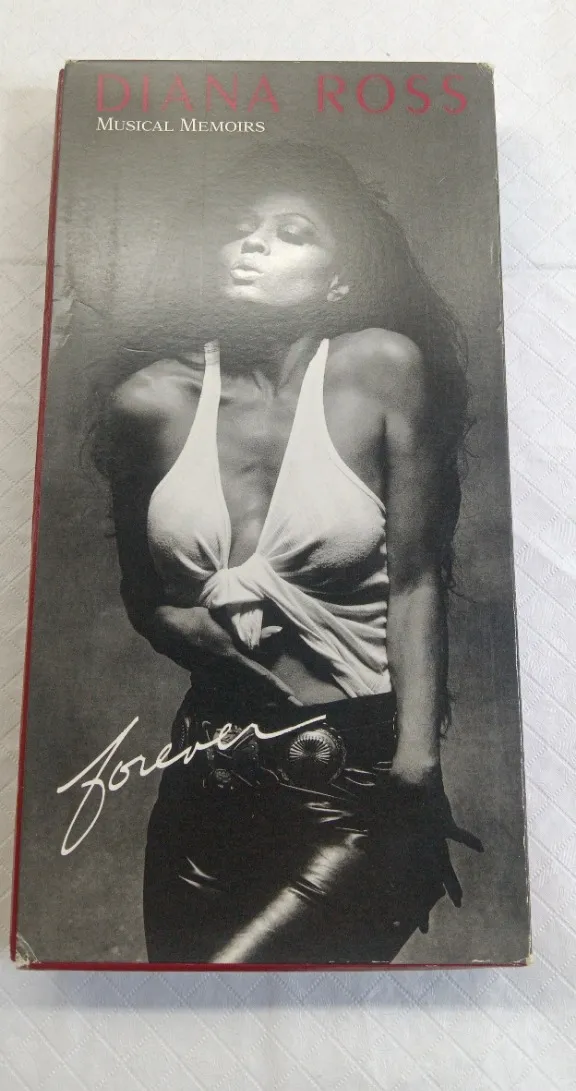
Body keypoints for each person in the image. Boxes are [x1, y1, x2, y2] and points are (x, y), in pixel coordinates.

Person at [96, 142, 482, 965]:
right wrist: (177, 626)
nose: (254, 244)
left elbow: (416, 580)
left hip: (355, 778)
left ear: (339, 280)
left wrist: (417, 766)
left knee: (237, 983)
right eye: (240, 229)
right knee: (187, 1011)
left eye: (292, 232)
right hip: (205, 779)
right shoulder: (149, 402)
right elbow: (144, 594)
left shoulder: (379, 370)